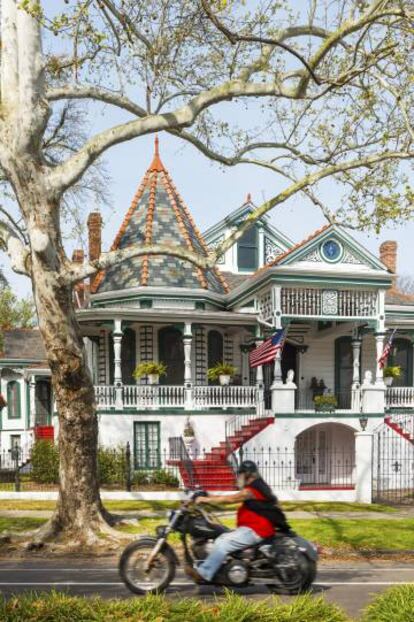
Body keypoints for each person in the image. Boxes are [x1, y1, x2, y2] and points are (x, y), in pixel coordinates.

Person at [186, 460, 292, 584]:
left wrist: (204, 499)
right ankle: (219, 568)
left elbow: (230, 499)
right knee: (221, 536)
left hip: (256, 530)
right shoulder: (257, 486)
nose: (238, 478)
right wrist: (207, 495)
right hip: (252, 528)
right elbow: (228, 497)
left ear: (247, 474)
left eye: (240, 474)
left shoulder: (252, 490)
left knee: (222, 543)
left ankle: (204, 573)